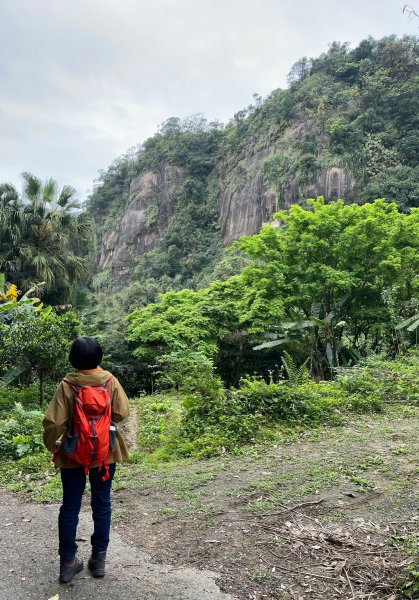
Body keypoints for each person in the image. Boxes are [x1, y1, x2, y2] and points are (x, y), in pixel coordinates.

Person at [43, 336, 130, 584]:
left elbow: (53, 422)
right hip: (105, 453)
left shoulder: (67, 385)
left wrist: (52, 444)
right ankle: (99, 559)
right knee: (102, 504)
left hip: (72, 454)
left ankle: (68, 562)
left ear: (73, 359)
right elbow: (122, 413)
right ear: (99, 358)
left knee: (70, 507)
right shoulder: (110, 381)